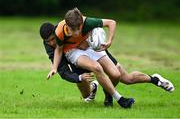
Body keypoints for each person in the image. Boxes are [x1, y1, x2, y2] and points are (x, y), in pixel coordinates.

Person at [40, 22, 174, 107]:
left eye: (53, 39)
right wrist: (79, 78)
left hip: (93, 50)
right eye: (48, 41)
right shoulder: (51, 47)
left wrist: (95, 41)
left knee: (126, 78)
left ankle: (155, 79)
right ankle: (94, 88)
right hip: (76, 61)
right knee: (86, 96)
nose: (51, 43)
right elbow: (62, 71)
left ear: (56, 33)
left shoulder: (67, 27)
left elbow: (90, 28)